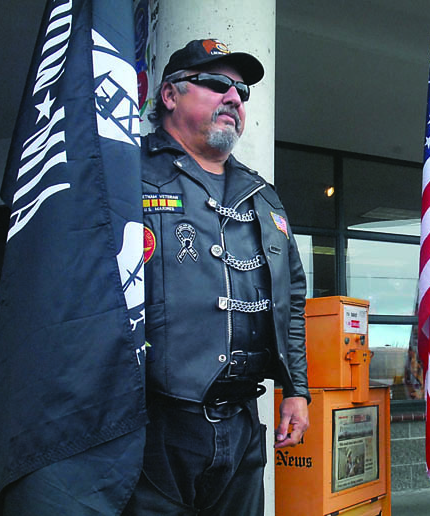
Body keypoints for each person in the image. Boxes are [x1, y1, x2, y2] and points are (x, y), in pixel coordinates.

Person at [124, 38, 310, 515]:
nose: (234, 97)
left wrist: (297, 391)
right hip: (153, 426)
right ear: (170, 95)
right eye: (215, 83)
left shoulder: (263, 196)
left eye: (241, 91)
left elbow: (291, 302)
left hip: (244, 422)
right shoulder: (127, 174)